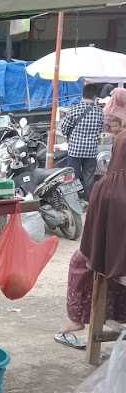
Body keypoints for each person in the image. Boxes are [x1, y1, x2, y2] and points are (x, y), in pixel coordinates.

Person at [55, 130, 126, 348]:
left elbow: (91, 244)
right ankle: (114, 316)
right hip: (117, 268)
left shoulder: (104, 187)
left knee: (81, 263)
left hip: (110, 266)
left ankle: (77, 320)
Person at [60, 82, 104, 200]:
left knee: (73, 175)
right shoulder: (99, 112)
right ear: (95, 97)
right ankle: (88, 200)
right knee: (89, 176)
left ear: (83, 95)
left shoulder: (74, 109)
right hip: (91, 150)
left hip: (75, 150)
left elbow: (64, 128)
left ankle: (75, 199)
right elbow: (100, 130)